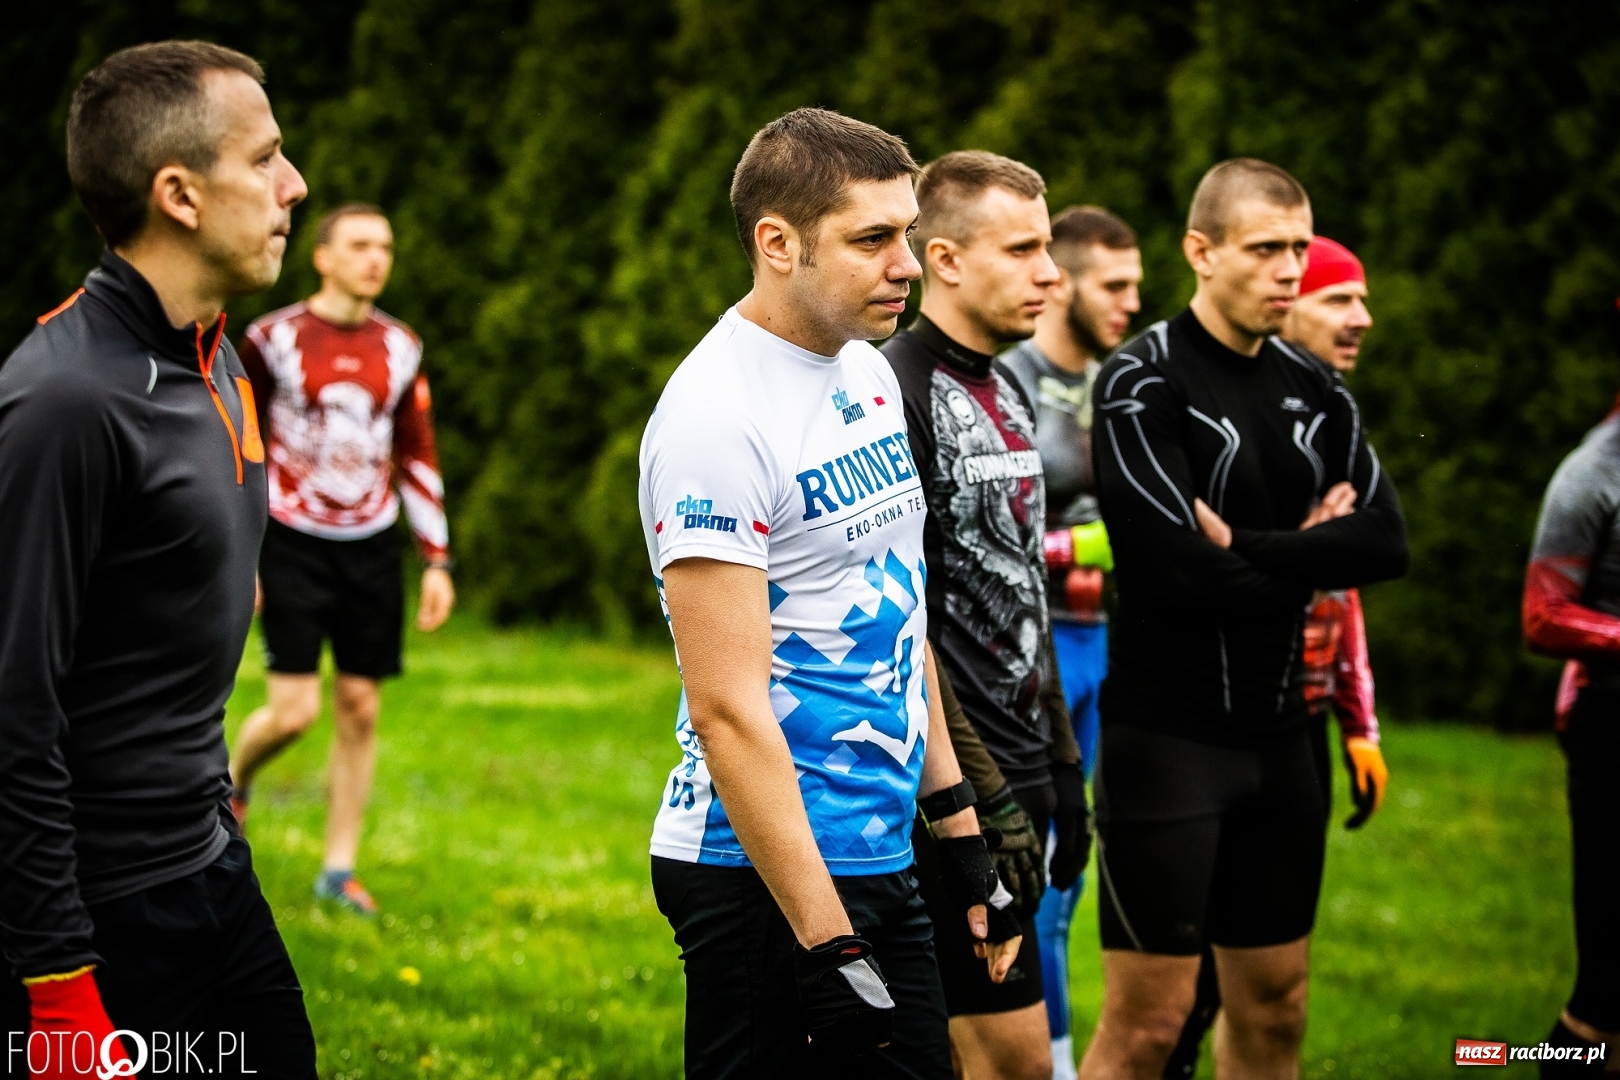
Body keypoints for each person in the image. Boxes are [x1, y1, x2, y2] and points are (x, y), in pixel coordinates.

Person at [641, 107, 1019, 1080]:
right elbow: (728, 709)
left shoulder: (866, 371)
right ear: (777, 243)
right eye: (873, 239)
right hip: (757, 877)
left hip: (880, 850)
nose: (910, 262)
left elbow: (897, 610)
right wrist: (827, 942)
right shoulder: (715, 418)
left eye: (908, 231)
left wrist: (959, 824)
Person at [0, 41, 316, 1078]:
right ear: (179, 194)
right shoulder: (64, 403)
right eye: (265, 159)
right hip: (103, 913)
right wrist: (56, 984)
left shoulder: (216, 351)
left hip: (213, 860)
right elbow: (14, 705)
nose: (294, 185)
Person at [1081, 158, 1407, 1080]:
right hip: (1168, 744)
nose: (1289, 270)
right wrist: (1310, 550)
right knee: (1149, 1027)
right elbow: (1171, 570)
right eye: (1266, 249)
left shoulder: (1314, 384)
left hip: (1283, 743)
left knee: (1278, 1011)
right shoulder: (1141, 380)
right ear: (1201, 251)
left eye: (1300, 248)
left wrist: (1252, 548)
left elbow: (1384, 543)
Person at [1157, 233, 1390, 1079]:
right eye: (1339, 299)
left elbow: (1348, 586)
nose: (1360, 319)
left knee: (1272, 989)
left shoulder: (1324, 419)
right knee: (1178, 998)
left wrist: (1358, 722)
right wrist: (1303, 546)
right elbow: (1194, 568)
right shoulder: (1202, 410)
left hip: (1300, 721)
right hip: (1201, 727)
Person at [882, 151, 1091, 1080]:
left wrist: (1064, 767)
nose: (1054, 274)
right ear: (947, 260)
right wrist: (986, 799)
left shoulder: (1008, 387)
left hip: (1026, 774)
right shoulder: (897, 390)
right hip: (954, 800)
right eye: (1026, 249)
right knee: (1008, 1063)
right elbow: (908, 627)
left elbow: (1026, 591)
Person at [228, 203, 454, 915]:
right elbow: (239, 446)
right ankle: (229, 784)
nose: (374, 258)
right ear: (322, 256)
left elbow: (415, 450)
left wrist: (437, 559)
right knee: (292, 712)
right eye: (358, 245)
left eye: (384, 246)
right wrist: (243, 552)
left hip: (371, 544)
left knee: (360, 706)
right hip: (290, 539)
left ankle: (337, 871)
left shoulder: (401, 345)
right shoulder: (270, 339)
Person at [1000, 205, 1142, 1080]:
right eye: (1116, 286)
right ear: (1065, 280)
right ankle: (1045, 1064)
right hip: (1030, 656)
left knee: (1072, 884)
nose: (1131, 304)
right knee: (1036, 881)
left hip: (1107, 647)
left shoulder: (1125, 380)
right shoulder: (1008, 376)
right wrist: (1094, 542)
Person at [1522, 338, 1620, 1073]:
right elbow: (1541, 616)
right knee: (1608, 989)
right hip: (1612, 731)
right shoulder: (1592, 473)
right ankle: (1491, 1057)